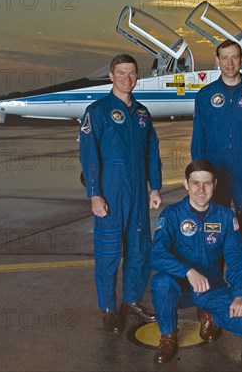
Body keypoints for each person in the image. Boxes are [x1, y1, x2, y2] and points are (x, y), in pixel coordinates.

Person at [79, 53, 162, 333]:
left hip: (138, 194)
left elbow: (152, 152)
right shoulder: (98, 111)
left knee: (139, 251)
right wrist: (95, 193)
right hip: (111, 195)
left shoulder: (142, 114)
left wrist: (156, 187)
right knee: (108, 253)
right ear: (111, 76)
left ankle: (132, 301)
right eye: (122, 73)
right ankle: (108, 308)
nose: (128, 78)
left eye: (133, 73)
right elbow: (89, 156)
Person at [191, 39, 242, 312]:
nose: (229, 63)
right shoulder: (204, 96)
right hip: (214, 176)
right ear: (217, 61)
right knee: (211, 235)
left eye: (234, 57)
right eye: (224, 58)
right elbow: (198, 139)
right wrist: (198, 178)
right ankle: (213, 295)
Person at [149, 160, 242, 364]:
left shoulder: (225, 216)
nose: (201, 190)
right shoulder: (172, 215)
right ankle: (168, 336)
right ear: (186, 184)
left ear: (215, 184)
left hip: (210, 287)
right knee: (161, 282)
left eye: (207, 183)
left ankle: (209, 313)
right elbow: (156, 255)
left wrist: (238, 295)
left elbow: (237, 259)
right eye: (195, 183)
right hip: (180, 287)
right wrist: (187, 271)